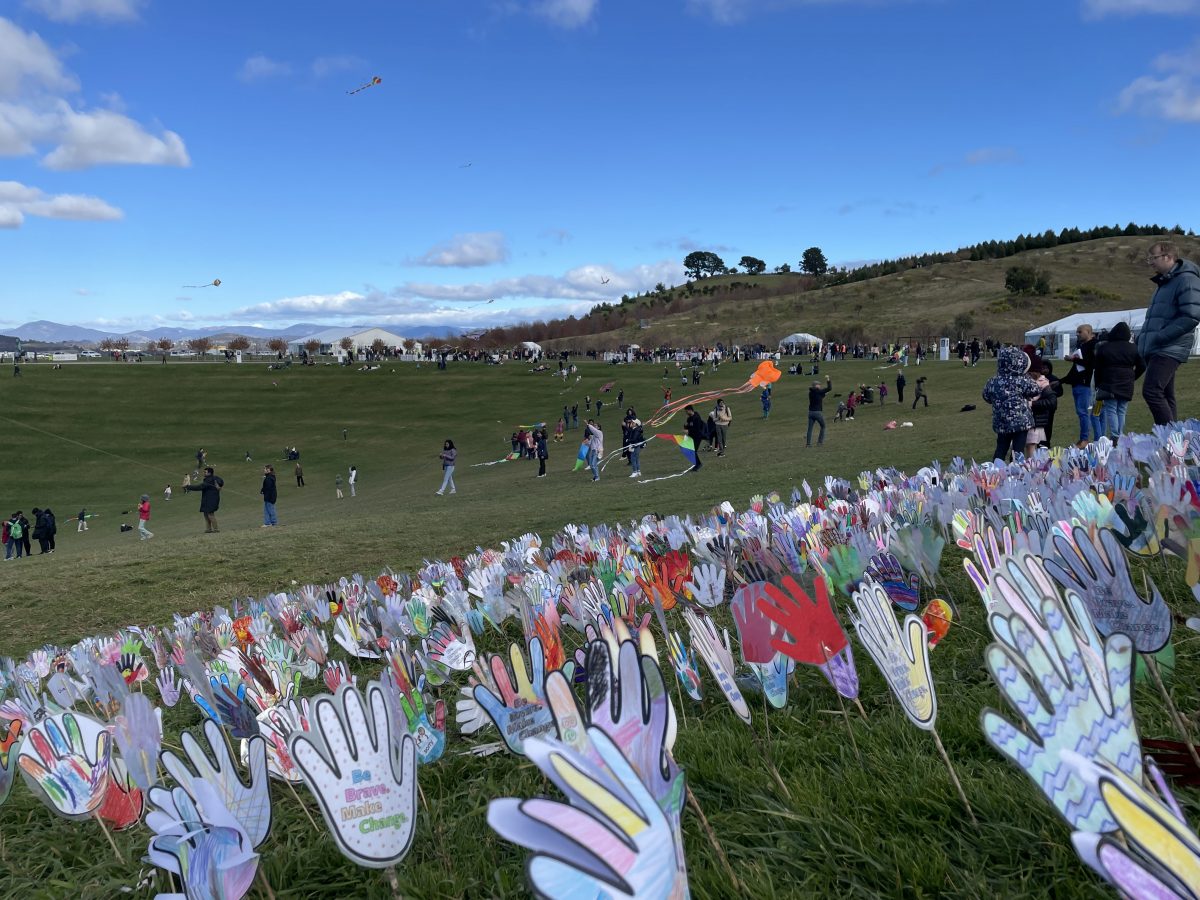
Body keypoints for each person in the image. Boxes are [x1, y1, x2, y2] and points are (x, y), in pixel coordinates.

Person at [1138, 241, 1200, 425]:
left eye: (1153, 258)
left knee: (1152, 391)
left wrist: (1160, 336)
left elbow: (1192, 315)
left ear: (1168, 257)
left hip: (1169, 346)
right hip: (1159, 346)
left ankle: (1169, 439)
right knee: (1165, 393)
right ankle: (1173, 439)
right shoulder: (1165, 283)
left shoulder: (1187, 280)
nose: (1150, 262)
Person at [983, 346, 1041, 462]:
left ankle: (995, 470)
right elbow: (1036, 390)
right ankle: (1016, 472)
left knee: (1001, 447)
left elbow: (986, 396)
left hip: (1002, 422)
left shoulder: (994, 381)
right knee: (1018, 450)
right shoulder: (1022, 380)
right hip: (1021, 422)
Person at [1094, 321, 1145, 439]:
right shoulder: (1134, 348)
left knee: (1111, 409)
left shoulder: (1104, 347)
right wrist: (1133, 377)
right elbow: (1142, 366)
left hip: (1109, 381)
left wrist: (1098, 384)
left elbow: (1098, 368)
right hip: (1127, 382)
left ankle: (1115, 435)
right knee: (1122, 409)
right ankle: (1120, 434)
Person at [1062, 323, 1101, 448]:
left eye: (1080, 332)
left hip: (1087, 385)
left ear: (1089, 332)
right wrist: (1061, 380)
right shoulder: (1082, 346)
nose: (1077, 334)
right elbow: (1077, 369)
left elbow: (1091, 364)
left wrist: (1073, 359)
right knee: (1084, 413)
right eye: (1077, 332)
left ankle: (1085, 439)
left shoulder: (1094, 345)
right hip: (1077, 384)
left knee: (1085, 412)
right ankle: (1093, 440)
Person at [1025, 370, 1057, 457]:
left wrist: (1032, 404)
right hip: (1027, 421)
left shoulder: (1042, 383)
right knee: (1028, 446)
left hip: (1035, 421)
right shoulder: (1022, 380)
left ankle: (1031, 467)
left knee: (1031, 445)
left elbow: (1052, 402)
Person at [184, 466, 224, 533]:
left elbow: (200, 487)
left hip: (212, 499)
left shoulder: (210, 480)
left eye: (205, 472)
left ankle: (216, 529)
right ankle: (208, 529)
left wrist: (188, 487)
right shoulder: (212, 478)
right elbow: (221, 482)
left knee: (210, 514)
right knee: (205, 514)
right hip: (207, 498)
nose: (204, 473)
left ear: (209, 473)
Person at [807, 376, 832, 447]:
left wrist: (823, 394)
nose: (820, 386)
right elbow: (829, 388)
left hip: (810, 412)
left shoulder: (810, 392)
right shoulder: (819, 391)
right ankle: (820, 442)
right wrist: (828, 380)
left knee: (810, 429)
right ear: (816, 385)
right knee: (823, 426)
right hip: (817, 412)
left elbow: (818, 397)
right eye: (819, 385)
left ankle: (808, 444)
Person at [684, 406, 705, 470]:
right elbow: (688, 426)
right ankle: (697, 464)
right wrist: (685, 426)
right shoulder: (689, 418)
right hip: (691, 437)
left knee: (693, 451)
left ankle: (698, 464)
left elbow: (697, 428)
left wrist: (688, 430)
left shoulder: (696, 418)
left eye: (687, 411)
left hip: (697, 437)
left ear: (690, 410)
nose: (686, 413)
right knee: (691, 451)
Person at [625, 412, 644, 478]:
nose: (631, 423)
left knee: (633, 458)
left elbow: (634, 438)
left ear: (636, 424)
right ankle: (638, 471)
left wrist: (628, 440)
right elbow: (630, 432)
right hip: (636, 445)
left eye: (632, 423)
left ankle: (634, 472)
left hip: (635, 445)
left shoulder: (636, 430)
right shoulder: (636, 429)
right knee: (636, 458)